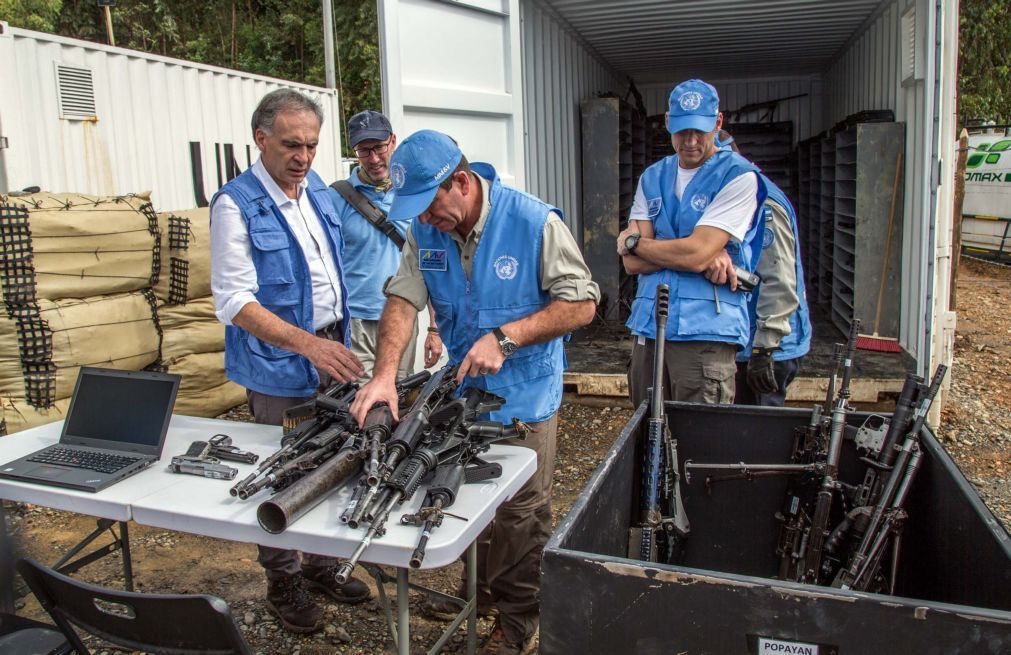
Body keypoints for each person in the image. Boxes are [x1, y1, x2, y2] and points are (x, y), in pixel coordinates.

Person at [349, 129, 598, 655]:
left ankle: (517, 619)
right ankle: (477, 592)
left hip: (523, 396)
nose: (422, 219)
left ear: (460, 182)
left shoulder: (534, 223)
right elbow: (402, 298)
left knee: (519, 513)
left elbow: (581, 304)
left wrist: (508, 338)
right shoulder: (427, 228)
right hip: (462, 395)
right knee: (459, 492)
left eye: (429, 206)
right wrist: (384, 374)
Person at [209, 88, 370, 634]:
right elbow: (233, 302)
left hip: (332, 349)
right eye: (291, 145)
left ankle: (322, 565)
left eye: (312, 145)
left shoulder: (316, 190)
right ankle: (283, 580)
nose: (303, 156)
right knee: (279, 472)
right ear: (260, 139)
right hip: (280, 362)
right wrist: (307, 344)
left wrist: (334, 343)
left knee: (334, 459)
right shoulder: (236, 203)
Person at [617, 78, 767, 408]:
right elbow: (631, 263)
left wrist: (636, 241)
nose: (691, 140)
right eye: (682, 130)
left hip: (705, 331)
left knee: (699, 444)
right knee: (645, 439)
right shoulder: (652, 176)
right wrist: (691, 252)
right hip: (649, 326)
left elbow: (696, 253)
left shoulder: (739, 176)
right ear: (668, 123)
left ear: (718, 122)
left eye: (700, 130)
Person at [327, 110, 442, 379]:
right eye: (364, 151)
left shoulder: (413, 195)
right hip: (356, 321)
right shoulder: (336, 197)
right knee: (361, 400)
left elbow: (432, 262)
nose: (374, 159)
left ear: (392, 141)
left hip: (402, 316)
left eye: (379, 147)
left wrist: (434, 329)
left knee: (398, 395)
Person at [716, 132, 812, 406]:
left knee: (759, 434)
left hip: (769, 348)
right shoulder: (735, 197)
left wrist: (764, 348)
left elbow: (779, 278)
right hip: (748, 341)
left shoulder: (764, 202)